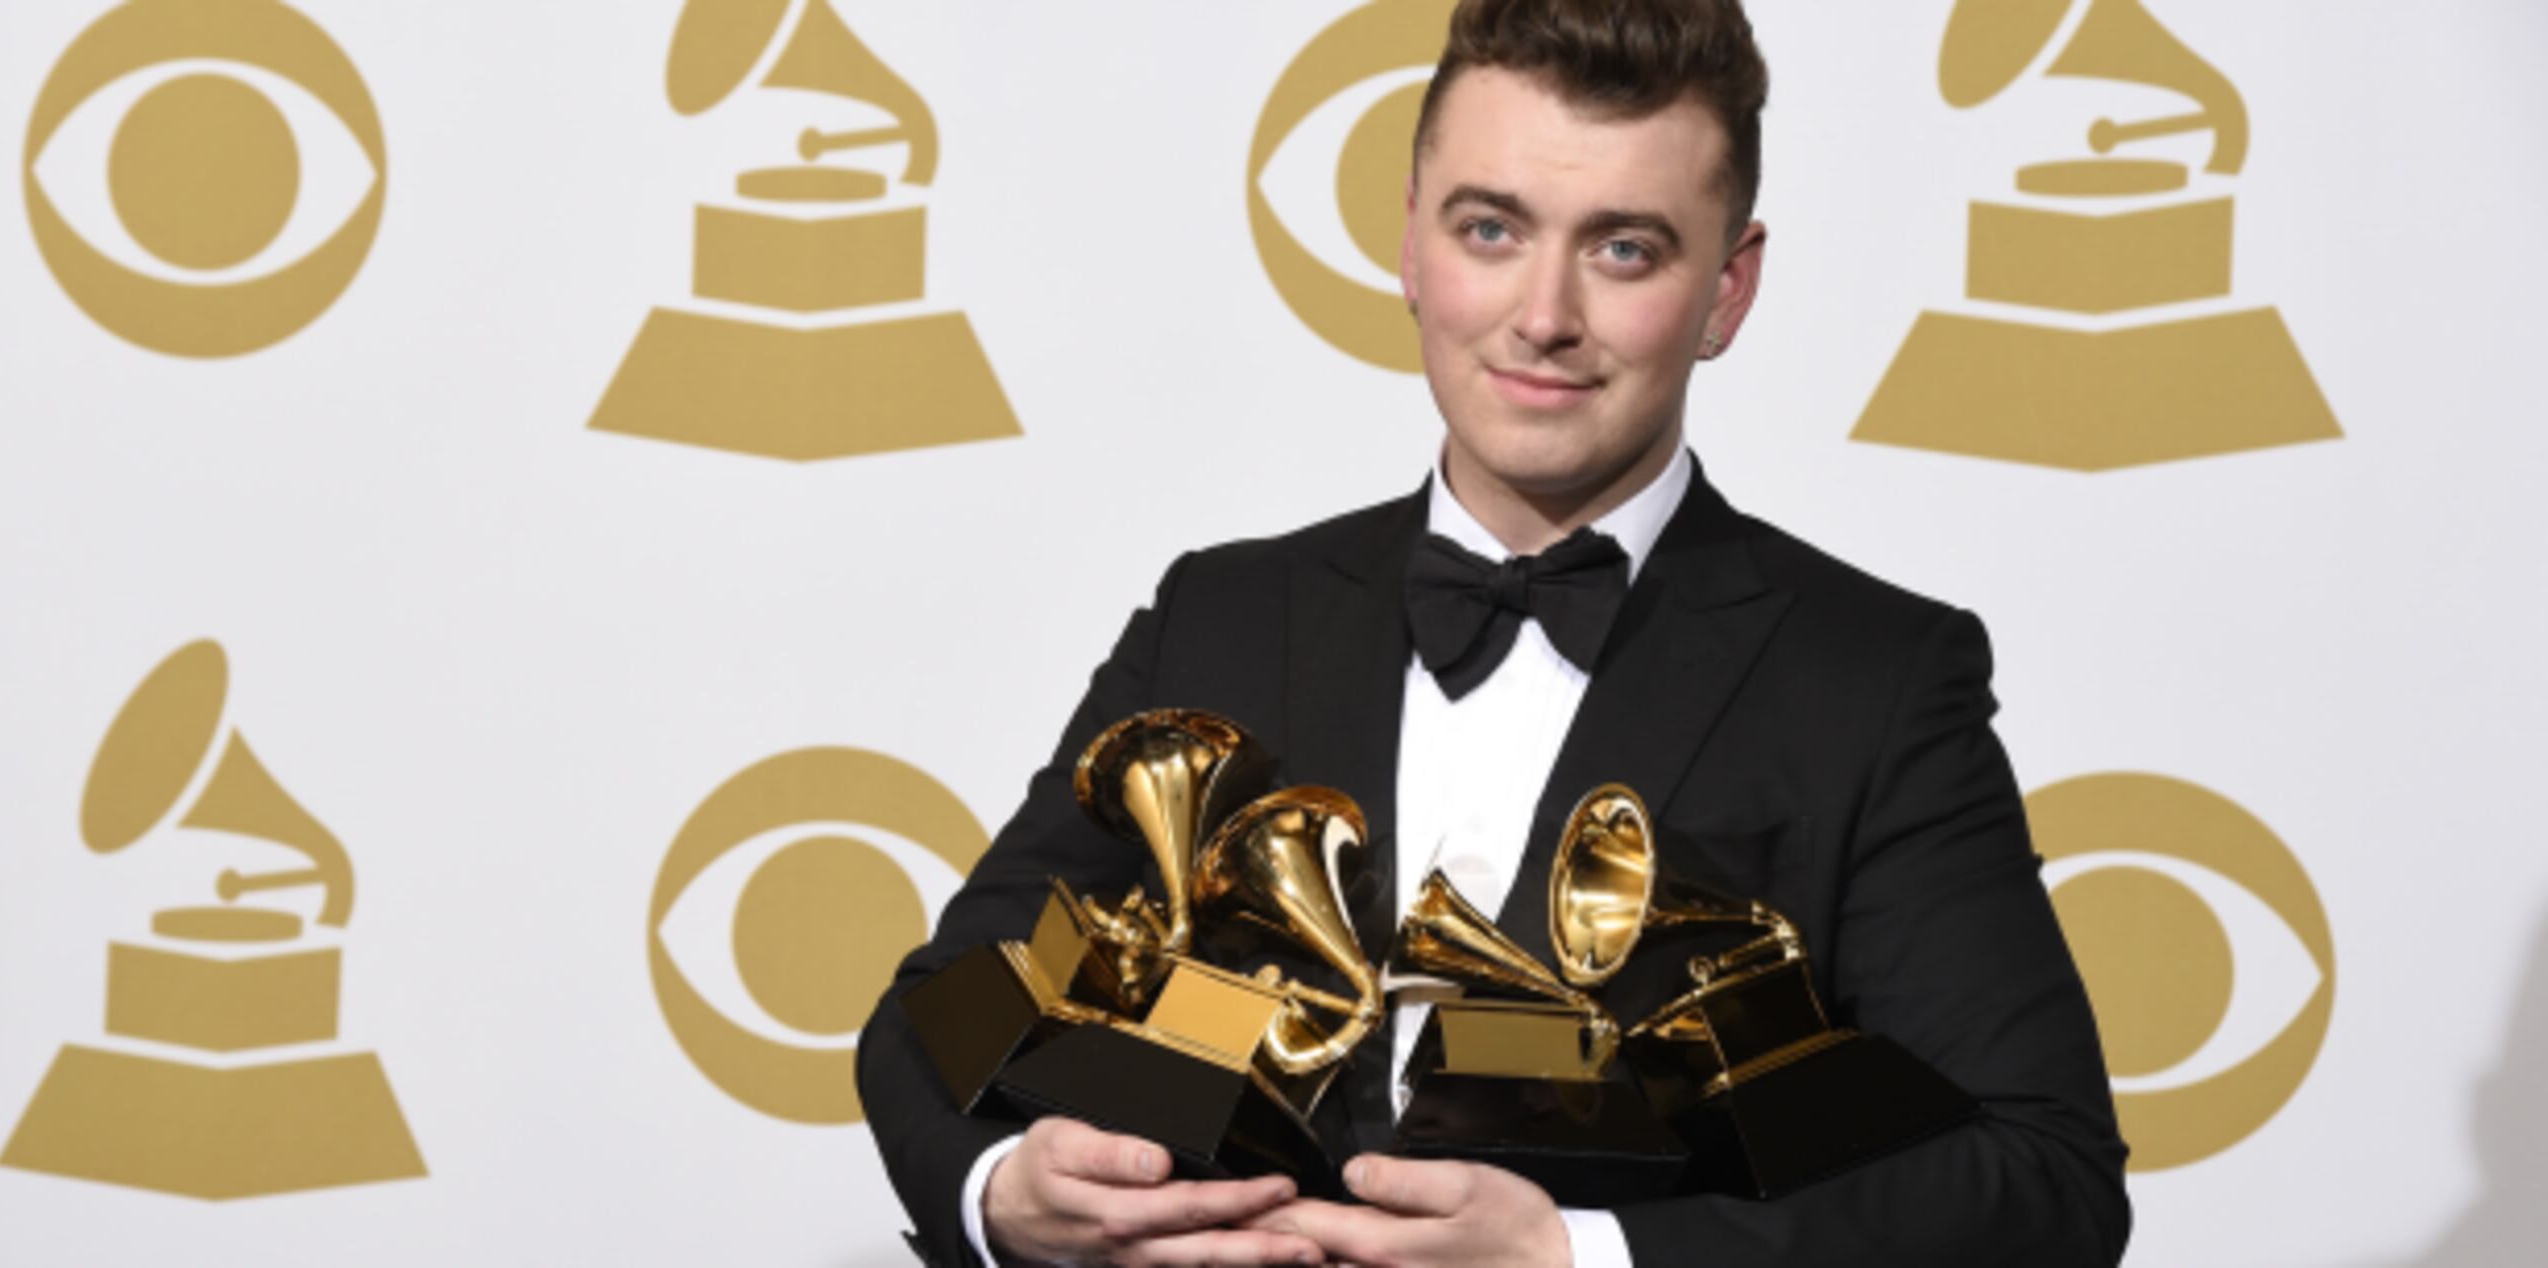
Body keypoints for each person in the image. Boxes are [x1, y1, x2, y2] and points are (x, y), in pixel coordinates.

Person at [856, 1, 2131, 1263]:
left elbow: (2043, 1180)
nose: (1542, 315)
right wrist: (998, 1192)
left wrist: (1586, 1257)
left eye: (1624, 249)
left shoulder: (1878, 677)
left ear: (1726, 291)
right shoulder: (1223, 612)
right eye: (1490, 229)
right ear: (1412, 244)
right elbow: (939, 1009)